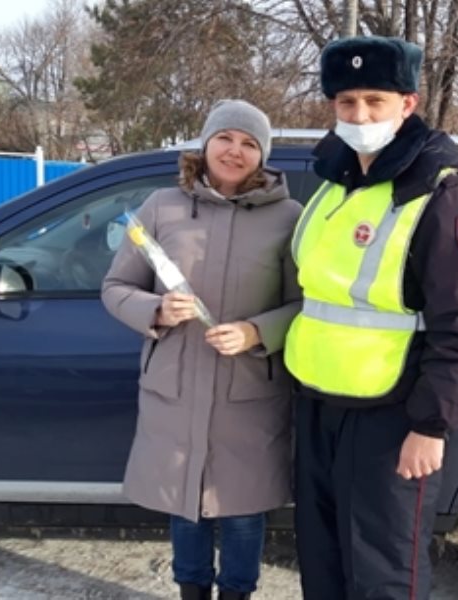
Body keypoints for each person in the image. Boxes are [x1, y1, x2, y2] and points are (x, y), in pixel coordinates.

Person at [284, 36, 458, 599]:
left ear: (408, 102)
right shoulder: (333, 181)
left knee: (383, 574)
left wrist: (431, 425)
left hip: (393, 417)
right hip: (320, 404)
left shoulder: (439, 190)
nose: (360, 115)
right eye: (347, 103)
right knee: (324, 566)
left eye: (375, 101)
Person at [101, 99, 302, 600]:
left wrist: (257, 332)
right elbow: (116, 286)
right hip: (178, 388)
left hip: (248, 390)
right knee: (185, 503)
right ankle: (191, 591)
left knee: (242, 509)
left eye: (249, 143)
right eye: (225, 138)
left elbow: (305, 305)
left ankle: (238, 592)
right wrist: (156, 311)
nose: (235, 151)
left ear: (263, 155)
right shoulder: (160, 207)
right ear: (205, 143)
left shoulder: (290, 217)